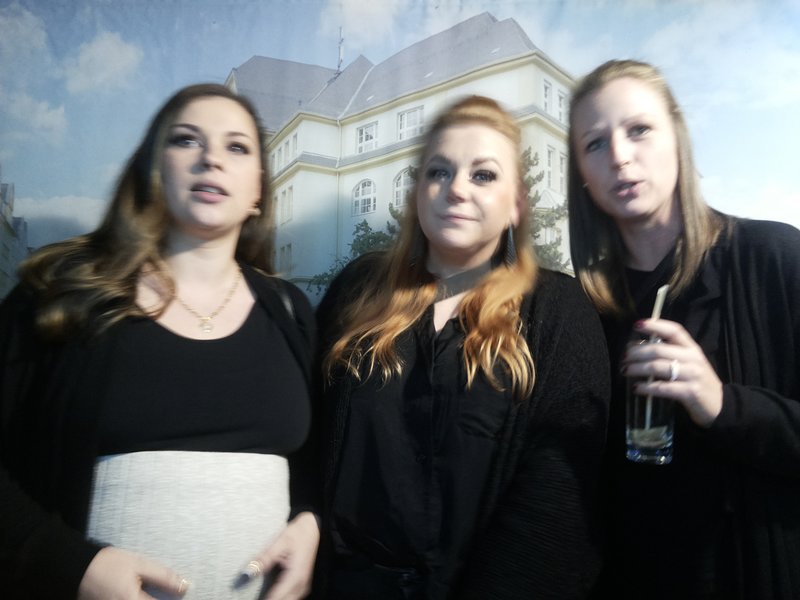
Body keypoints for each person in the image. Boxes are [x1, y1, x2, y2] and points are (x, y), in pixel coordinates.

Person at [0, 83, 319, 600]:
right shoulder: (60, 296)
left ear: (258, 190)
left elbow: (314, 468)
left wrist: (310, 522)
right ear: (154, 169)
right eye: (187, 140)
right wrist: (68, 564)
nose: (212, 158)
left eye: (237, 147)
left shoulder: (290, 312)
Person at [315, 95, 609, 599]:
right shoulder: (357, 289)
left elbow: (558, 501)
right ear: (417, 193)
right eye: (439, 171)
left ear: (516, 204)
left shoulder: (559, 312)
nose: (456, 188)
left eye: (483, 175)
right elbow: (307, 435)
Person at [568, 59, 800, 599]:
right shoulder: (584, 308)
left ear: (678, 138)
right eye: (595, 143)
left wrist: (722, 404)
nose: (619, 156)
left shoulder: (773, 258)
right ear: (582, 173)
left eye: (639, 129)